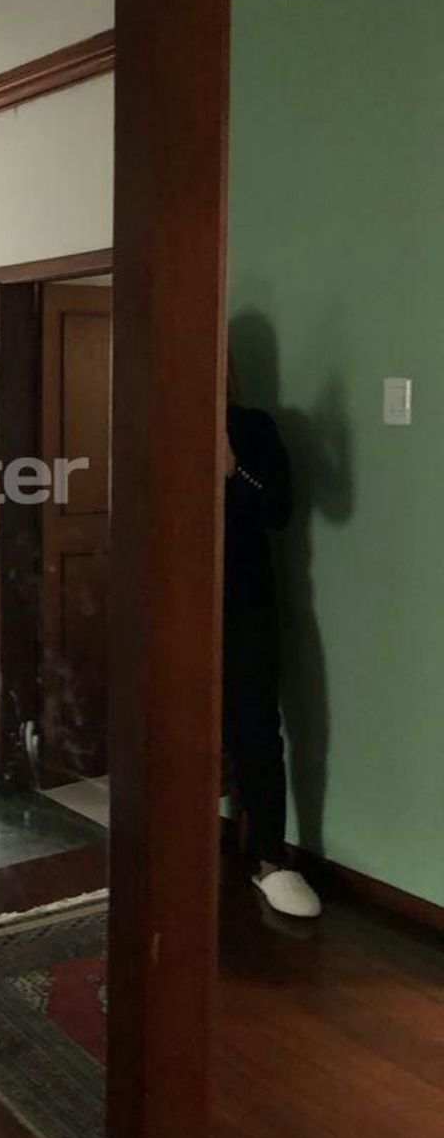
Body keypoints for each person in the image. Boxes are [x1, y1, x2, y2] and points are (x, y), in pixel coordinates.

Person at [225, 393, 322, 918]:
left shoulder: (253, 427)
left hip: (247, 600)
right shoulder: (156, 423)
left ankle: (269, 857)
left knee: (258, 725)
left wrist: (233, 469)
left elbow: (278, 511)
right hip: (174, 595)